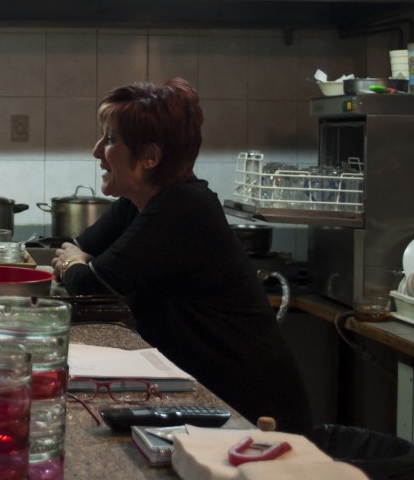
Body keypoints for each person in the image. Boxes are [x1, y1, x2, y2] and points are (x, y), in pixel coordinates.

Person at [53, 78, 313, 433]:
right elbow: (75, 250)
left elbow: (87, 281)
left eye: (110, 139)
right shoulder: (138, 203)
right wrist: (77, 262)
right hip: (210, 397)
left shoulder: (183, 207)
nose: (97, 151)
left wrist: (76, 263)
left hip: (253, 411)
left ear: (150, 156)